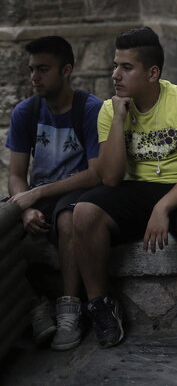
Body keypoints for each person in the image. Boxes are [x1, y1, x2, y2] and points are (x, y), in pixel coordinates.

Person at [71, 27, 177, 354]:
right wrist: (117, 120)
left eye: (126, 67)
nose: (116, 75)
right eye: (115, 66)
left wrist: (163, 207)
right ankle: (100, 304)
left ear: (152, 73)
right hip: (134, 189)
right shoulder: (109, 109)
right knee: (84, 213)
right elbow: (110, 178)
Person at [4, 36, 102, 351]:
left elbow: (96, 172)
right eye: (32, 69)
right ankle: (34, 304)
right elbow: (16, 175)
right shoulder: (26, 112)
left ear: (66, 70)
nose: (35, 77)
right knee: (4, 225)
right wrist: (25, 207)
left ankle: (70, 308)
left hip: (77, 190)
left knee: (68, 220)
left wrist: (37, 194)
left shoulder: (90, 108)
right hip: (39, 196)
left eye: (43, 69)